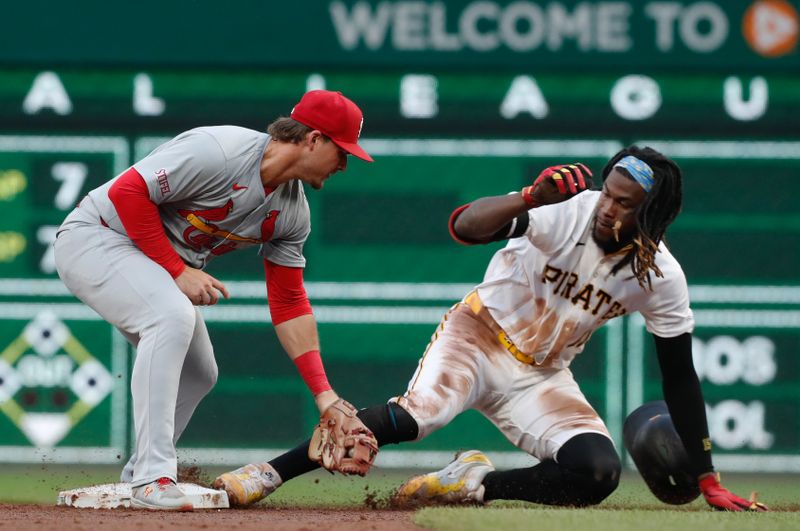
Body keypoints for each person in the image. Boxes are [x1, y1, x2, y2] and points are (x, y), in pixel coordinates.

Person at [213, 146, 766, 512]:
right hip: (478, 335)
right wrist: (528, 199)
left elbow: (679, 379)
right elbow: (463, 226)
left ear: (652, 216)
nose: (608, 209)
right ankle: (266, 473)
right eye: (609, 194)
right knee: (409, 418)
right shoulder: (571, 210)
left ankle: (470, 484)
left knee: (596, 474)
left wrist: (709, 477)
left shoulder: (660, 276)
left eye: (626, 205)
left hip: (542, 375)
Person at [53, 90, 374, 510]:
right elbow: (128, 192)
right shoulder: (218, 151)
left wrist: (324, 394)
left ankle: (136, 478)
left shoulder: (292, 212)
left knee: (198, 372)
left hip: (147, 261)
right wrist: (178, 270)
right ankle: (153, 477)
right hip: (96, 236)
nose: (345, 163)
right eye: (342, 150)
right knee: (171, 318)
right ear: (313, 139)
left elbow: (289, 301)